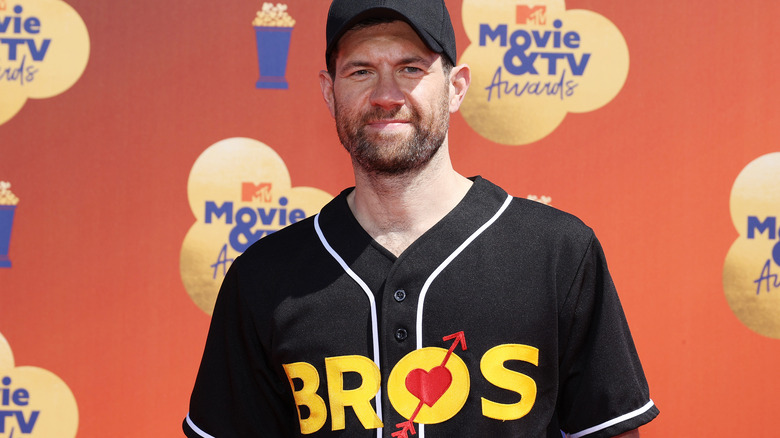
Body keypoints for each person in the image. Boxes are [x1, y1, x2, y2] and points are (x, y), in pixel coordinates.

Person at [183, 0, 659, 437]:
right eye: (361, 71)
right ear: (329, 93)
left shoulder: (557, 255)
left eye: (410, 68)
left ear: (456, 88)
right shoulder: (264, 277)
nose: (386, 95)